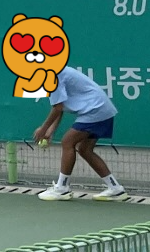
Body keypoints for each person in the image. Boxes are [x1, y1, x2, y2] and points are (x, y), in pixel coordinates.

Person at [31, 68, 128, 201]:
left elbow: (58, 108)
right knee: (84, 149)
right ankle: (116, 189)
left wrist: (43, 129)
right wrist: (50, 131)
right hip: (102, 109)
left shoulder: (52, 76)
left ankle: (62, 189)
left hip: (95, 109)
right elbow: (59, 107)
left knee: (67, 142)